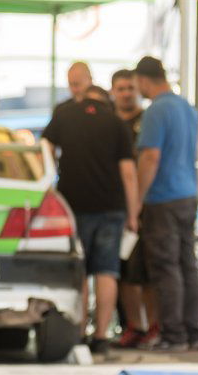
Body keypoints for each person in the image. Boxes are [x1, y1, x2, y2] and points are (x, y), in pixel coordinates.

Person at [41, 88, 140, 356]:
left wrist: (52, 179)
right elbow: (128, 172)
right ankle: (101, 337)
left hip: (74, 206)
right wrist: (133, 214)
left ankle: (80, 332)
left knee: (81, 272)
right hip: (112, 207)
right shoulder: (116, 123)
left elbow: (45, 146)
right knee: (107, 272)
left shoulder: (65, 115)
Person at [134, 56, 198, 352]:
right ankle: (194, 332)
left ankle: (173, 335)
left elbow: (151, 157)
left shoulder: (156, 111)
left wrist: (137, 200)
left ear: (143, 80)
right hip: (188, 193)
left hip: (162, 197)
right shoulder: (187, 107)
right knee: (188, 263)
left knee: (165, 266)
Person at [109, 70, 161, 348]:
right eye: (121, 88)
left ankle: (154, 326)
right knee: (125, 272)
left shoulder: (147, 120)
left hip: (147, 206)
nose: (126, 93)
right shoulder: (108, 122)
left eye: (130, 87)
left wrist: (137, 203)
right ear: (112, 91)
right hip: (115, 207)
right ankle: (134, 326)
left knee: (149, 272)